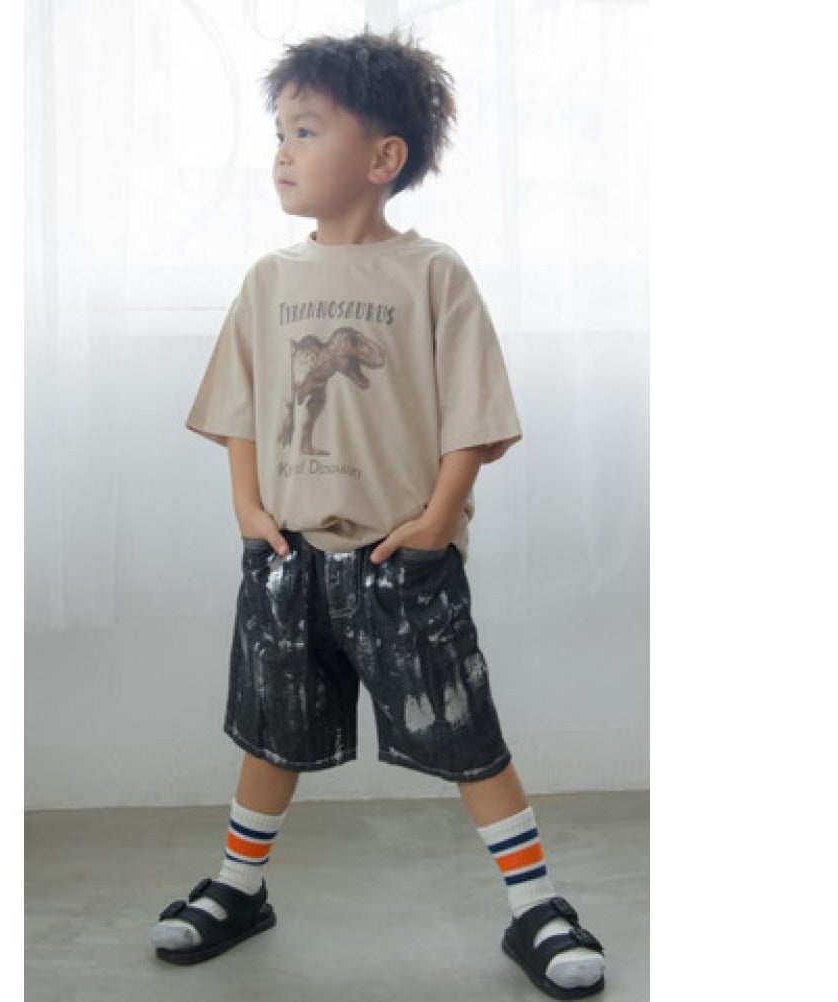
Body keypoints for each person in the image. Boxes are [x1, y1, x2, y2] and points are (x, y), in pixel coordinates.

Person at [150, 28, 606, 999]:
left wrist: (439, 519)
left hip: (402, 556)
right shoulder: (270, 280)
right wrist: (246, 505)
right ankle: (239, 886)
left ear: (382, 157)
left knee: (466, 730)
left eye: (306, 130)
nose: (282, 152)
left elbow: (475, 415)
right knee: (272, 729)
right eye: (278, 132)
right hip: (287, 553)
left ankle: (536, 906)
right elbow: (239, 405)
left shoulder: (433, 275)